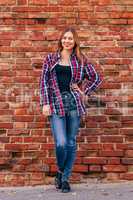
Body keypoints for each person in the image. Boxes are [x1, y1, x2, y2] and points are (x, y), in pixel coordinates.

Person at [40, 27, 102, 193]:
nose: (67, 41)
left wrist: (84, 91)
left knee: (71, 142)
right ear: (61, 40)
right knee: (61, 143)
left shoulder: (80, 61)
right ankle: (60, 171)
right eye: (65, 38)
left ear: (75, 42)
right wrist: (45, 103)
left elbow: (96, 78)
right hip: (56, 104)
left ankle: (65, 178)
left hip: (74, 104)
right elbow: (44, 82)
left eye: (70, 39)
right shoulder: (50, 59)